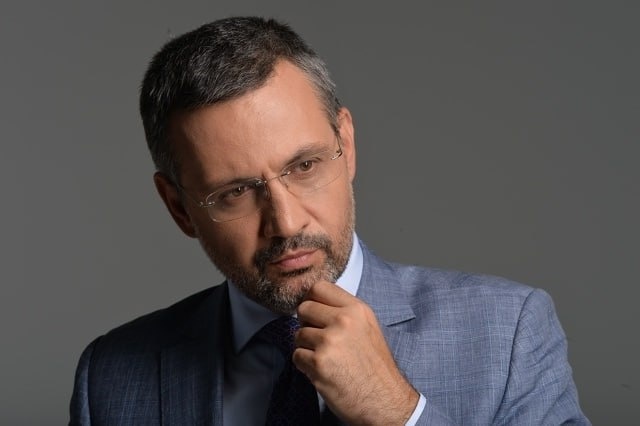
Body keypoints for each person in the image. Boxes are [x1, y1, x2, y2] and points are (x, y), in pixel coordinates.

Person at [69, 16, 589, 425]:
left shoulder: (508, 332)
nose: (286, 222)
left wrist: (398, 413)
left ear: (348, 144)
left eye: (305, 166)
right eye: (235, 192)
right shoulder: (110, 376)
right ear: (179, 207)